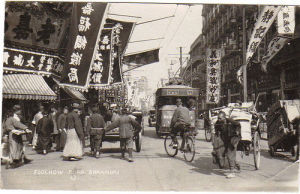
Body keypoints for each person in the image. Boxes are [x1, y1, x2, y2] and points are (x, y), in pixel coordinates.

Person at [213, 111, 241, 179]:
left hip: (234, 138)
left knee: (230, 153)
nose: (219, 120)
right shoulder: (218, 123)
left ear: (224, 117)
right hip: (226, 138)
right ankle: (236, 164)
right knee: (222, 152)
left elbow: (238, 124)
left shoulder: (230, 121)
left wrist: (237, 131)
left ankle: (232, 172)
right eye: (218, 118)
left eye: (220, 118)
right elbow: (216, 130)